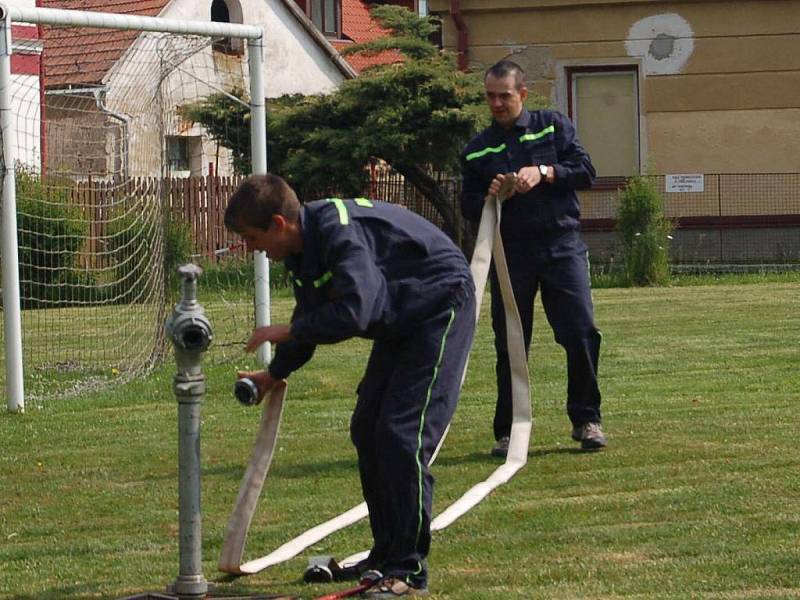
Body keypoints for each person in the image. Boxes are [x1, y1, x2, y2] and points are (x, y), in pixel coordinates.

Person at [227, 174, 476, 597]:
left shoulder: (341, 236)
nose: (251, 249)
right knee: (366, 427)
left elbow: (356, 311)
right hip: (401, 314)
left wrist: (286, 331)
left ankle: (408, 568)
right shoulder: (302, 251)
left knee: (402, 435)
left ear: (278, 224)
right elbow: (316, 315)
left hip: (439, 303)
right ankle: (383, 556)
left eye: (252, 238)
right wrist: (274, 373)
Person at [459, 59, 606, 455]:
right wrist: (488, 193)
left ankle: (587, 420)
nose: (497, 104)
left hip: (561, 246)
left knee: (580, 331)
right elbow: (467, 204)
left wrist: (544, 171)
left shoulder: (553, 126)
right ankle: (509, 431)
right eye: (490, 96)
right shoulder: (476, 150)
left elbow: (586, 171)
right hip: (511, 257)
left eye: (504, 96)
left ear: (522, 94)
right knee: (511, 343)